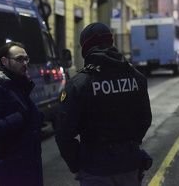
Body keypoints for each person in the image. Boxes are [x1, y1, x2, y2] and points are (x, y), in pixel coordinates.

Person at [55, 22, 152, 186]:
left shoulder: (80, 83)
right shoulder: (136, 77)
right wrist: (129, 146)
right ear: (111, 42)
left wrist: (76, 165)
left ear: (85, 48)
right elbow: (145, 120)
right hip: (129, 164)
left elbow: (64, 134)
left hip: (95, 169)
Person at [0, 42, 43, 186]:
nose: (25, 63)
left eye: (26, 59)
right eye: (19, 59)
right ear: (4, 61)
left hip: (27, 168)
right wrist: (19, 117)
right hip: (9, 171)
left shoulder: (19, 85)